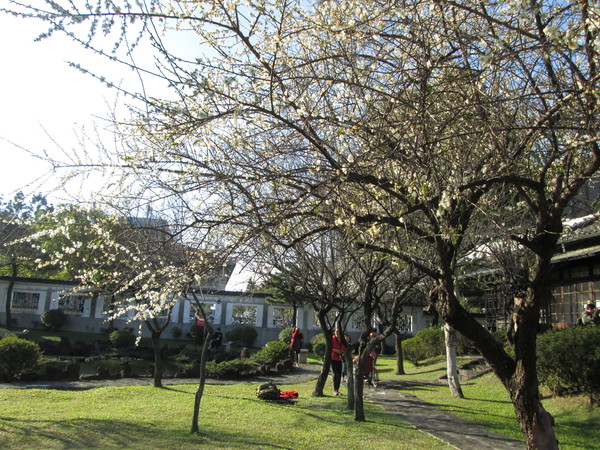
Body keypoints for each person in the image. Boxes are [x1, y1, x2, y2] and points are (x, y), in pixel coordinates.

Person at [330, 328, 346, 396]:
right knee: (335, 374)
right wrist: (336, 351)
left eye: (339, 331)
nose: (338, 333)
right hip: (332, 358)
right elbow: (330, 347)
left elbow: (343, 348)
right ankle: (335, 390)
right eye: (337, 331)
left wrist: (342, 352)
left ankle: (337, 389)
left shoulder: (342, 340)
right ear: (334, 332)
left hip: (339, 359)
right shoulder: (332, 339)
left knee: (339, 374)